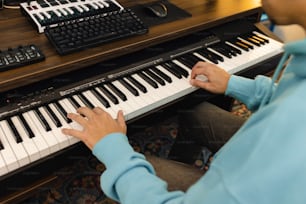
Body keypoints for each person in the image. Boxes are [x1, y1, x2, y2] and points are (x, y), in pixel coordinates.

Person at [62, 0, 306, 203]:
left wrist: (114, 150)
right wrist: (234, 83)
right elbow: (282, 96)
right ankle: (183, 163)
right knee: (193, 109)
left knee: (127, 171)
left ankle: (186, 177)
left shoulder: (293, 134)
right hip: (256, 157)